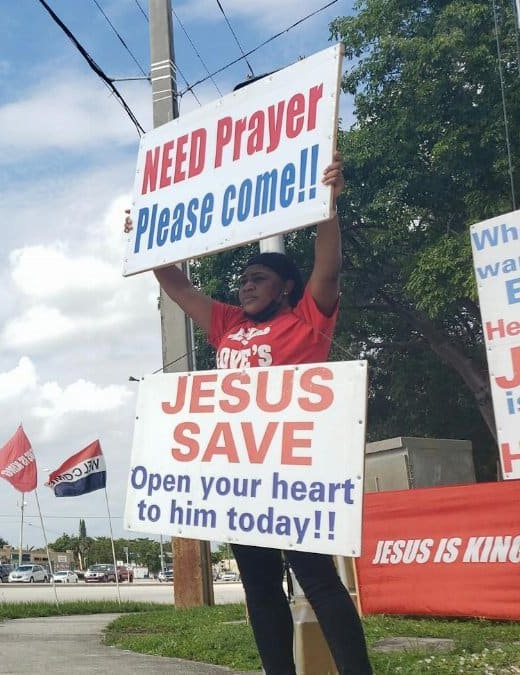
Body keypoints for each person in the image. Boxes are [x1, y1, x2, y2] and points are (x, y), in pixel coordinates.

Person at [127, 152, 371, 674]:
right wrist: (147, 241)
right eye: (243, 279)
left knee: (319, 582)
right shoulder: (226, 323)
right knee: (259, 587)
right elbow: (178, 286)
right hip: (242, 478)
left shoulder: (309, 318)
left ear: (285, 287)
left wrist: (329, 203)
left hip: (295, 475)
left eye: (257, 278)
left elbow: (328, 265)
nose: (246, 285)